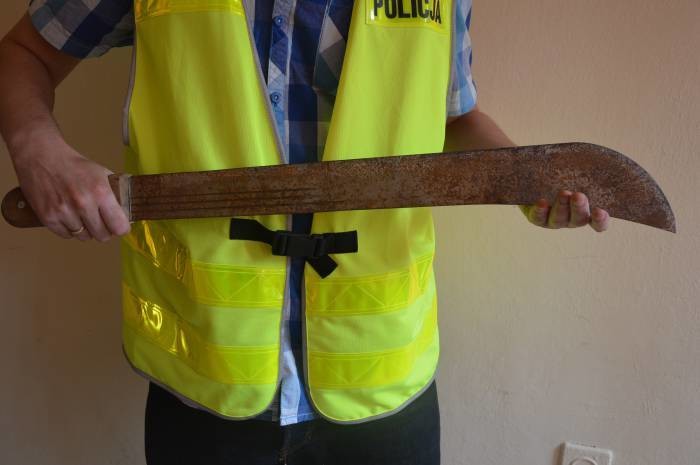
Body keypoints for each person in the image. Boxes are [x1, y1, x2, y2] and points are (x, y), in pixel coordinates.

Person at [0, 1, 610, 464]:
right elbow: (23, 53)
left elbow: (452, 117)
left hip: (382, 387)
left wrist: (527, 178)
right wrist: (36, 148)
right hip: (205, 380)